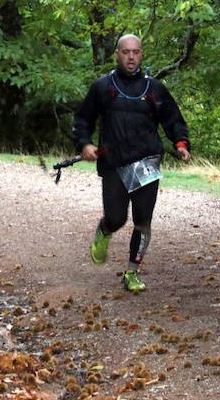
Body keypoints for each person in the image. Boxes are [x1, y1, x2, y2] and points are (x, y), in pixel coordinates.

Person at [72, 34, 190, 293]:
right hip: (114, 162)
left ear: (142, 54)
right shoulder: (103, 87)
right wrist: (85, 143)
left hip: (147, 161)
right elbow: (83, 119)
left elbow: (173, 118)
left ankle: (132, 272)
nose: (131, 57)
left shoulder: (155, 89)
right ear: (117, 54)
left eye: (136, 52)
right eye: (126, 52)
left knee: (142, 220)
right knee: (116, 218)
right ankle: (104, 231)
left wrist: (181, 143)